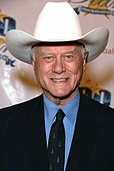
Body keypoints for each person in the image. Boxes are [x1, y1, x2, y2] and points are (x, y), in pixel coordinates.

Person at [0, 1, 114, 171]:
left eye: (68, 57)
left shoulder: (110, 126)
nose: (59, 68)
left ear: (83, 62)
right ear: (34, 63)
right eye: (48, 58)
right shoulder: (4, 126)